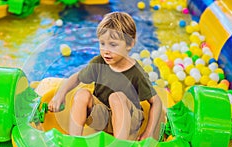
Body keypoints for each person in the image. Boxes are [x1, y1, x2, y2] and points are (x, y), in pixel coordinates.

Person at [48, 11, 162, 140]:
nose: (106, 50)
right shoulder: (99, 63)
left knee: (116, 97)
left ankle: (120, 145)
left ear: (130, 44)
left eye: (113, 45)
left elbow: (156, 102)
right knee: (82, 94)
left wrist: (149, 132)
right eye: (102, 44)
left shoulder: (136, 72)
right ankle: (74, 141)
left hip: (129, 121)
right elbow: (77, 77)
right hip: (103, 118)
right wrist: (59, 95)